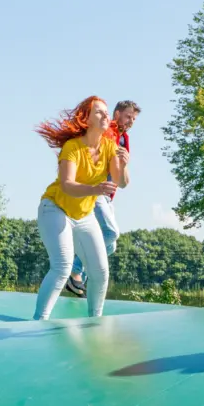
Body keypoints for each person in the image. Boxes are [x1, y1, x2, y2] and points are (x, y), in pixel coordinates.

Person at [32, 96, 130, 320]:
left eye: (106, 112)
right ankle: (39, 321)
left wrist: (124, 165)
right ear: (86, 119)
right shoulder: (73, 147)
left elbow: (121, 182)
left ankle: (94, 323)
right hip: (56, 209)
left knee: (100, 272)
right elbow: (67, 185)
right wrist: (95, 189)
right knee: (62, 267)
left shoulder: (109, 146)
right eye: (99, 112)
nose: (106, 115)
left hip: (84, 215)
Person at [65, 100, 141, 298]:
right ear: (116, 114)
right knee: (110, 232)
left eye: (134, 119)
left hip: (107, 196)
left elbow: (120, 175)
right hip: (95, 190)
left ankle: (80, 276)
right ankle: (74, 272)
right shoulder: (108, 130)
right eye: (128, 116)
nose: (131, 121)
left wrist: (123, 165)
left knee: (111, 245)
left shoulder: (124, 138)